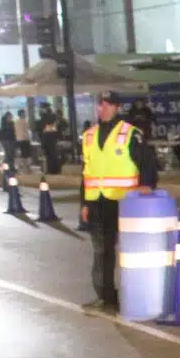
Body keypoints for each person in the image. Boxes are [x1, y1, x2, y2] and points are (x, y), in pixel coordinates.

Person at [80, 91, 159, 312]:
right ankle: (106, 297)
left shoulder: (130, 134)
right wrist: (84, 203)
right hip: (97, 202)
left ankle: (137, 295)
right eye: (101, 104)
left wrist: (147, 184)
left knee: (131, 252)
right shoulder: (89, 136)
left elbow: (148, 162)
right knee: (101, 251)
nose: (104, 108)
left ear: (117, 108)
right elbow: (86, 173)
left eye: (109, 104)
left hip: (125, 202)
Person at [39, 105, 61, 175]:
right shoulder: (52, 116)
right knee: (52, 155)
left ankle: (51, 170)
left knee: (49, 155)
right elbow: (54, 127)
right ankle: (54, 170)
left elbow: (43, 128)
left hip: (47, 139)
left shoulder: (45, 117)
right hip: (51, 139)